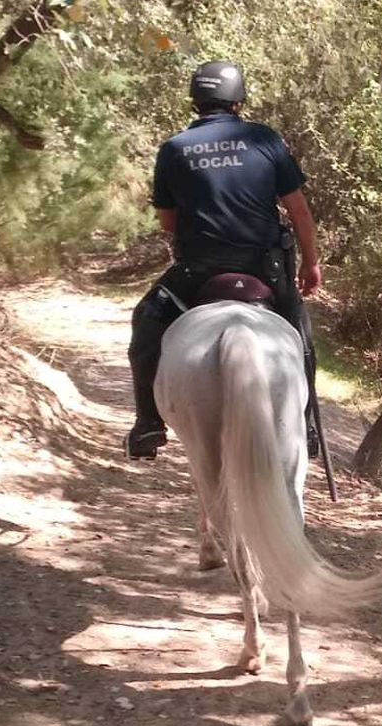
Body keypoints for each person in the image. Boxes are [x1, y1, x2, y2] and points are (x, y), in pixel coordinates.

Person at [125, 59, 323, 460]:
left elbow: (167, 223)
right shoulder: (265, 140)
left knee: (145, 322)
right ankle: (308, 424)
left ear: (196, 99)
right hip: (264, 267)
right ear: (238, 99)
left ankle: (148, 423)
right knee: (298, 333)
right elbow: (300, 211)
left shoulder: (174, 148)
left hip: (197, 270)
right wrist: (311, 262)